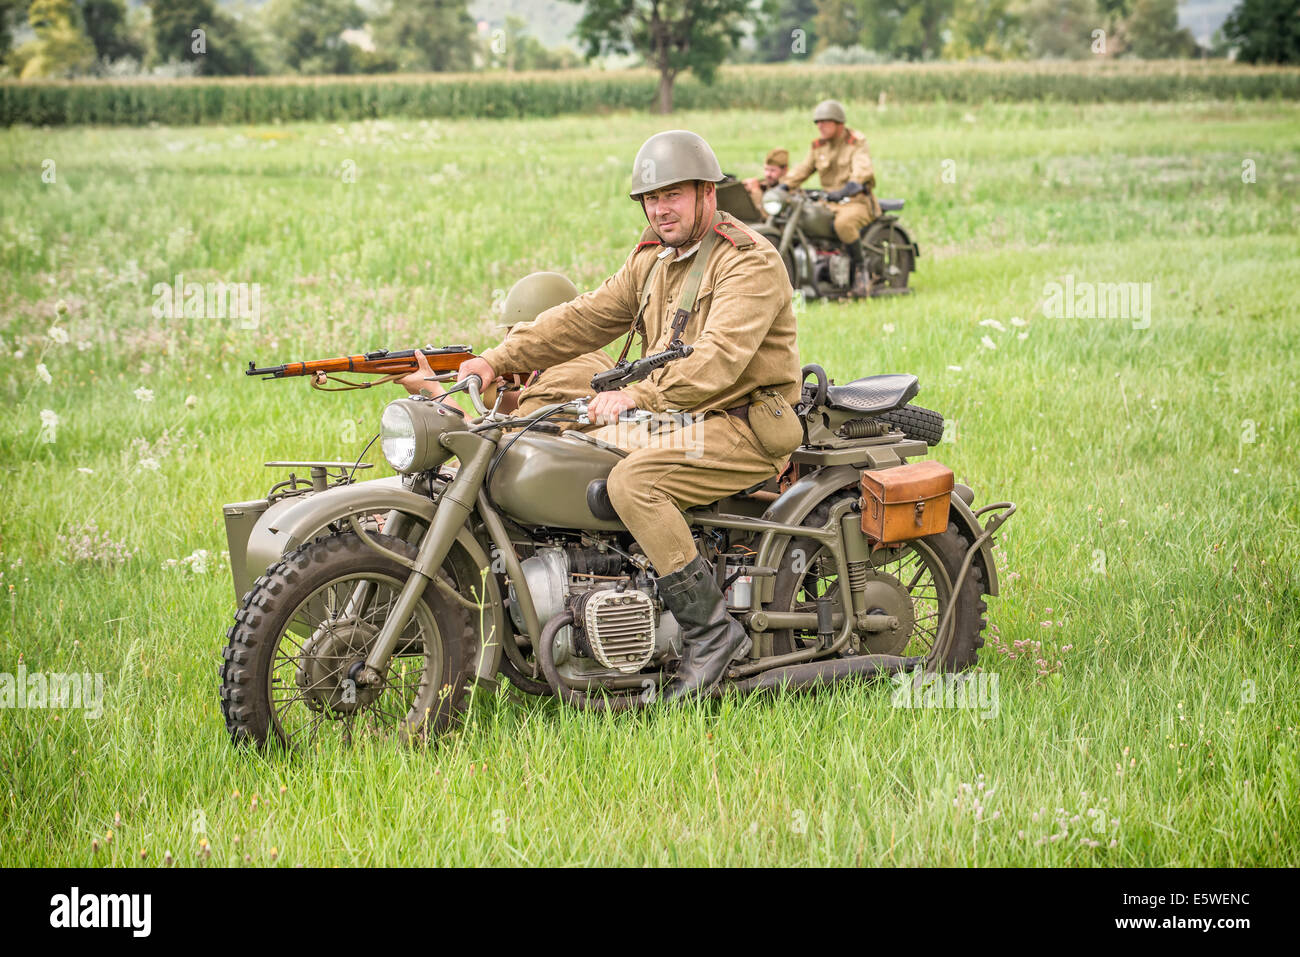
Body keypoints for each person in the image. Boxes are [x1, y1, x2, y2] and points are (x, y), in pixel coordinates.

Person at [451, 130, 804, 702]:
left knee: (635, 483)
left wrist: (642, 395)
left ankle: (713, 635)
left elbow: (717, 360)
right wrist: (497, 359)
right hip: (682, 418)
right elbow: (584, 318)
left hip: (738, 424)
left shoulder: (748, 262)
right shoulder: (655, 262)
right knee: (554, 441)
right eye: (651, 198)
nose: (660, 208)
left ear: (706, 194)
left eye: (673, 195)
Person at [399, 271, 613, 420]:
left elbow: (492, 450)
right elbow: (532, 410)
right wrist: (503, 391)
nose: (506, 344)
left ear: (544, 330)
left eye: (516, 335)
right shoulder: (590, 357)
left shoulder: (563, 378)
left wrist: (433, 393)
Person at [780, 99, 881, 299]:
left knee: (844, 224)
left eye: (825, 122)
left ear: (839, 123)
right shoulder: (818, 146)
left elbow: (863, 170)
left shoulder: (856, 142)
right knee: (802, 219)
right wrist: (783, 186)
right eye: (817, 122)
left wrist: (847, 189)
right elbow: (803, 169)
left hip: (856, 201)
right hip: (828, 203)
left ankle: (862, 272)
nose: (820, 126)